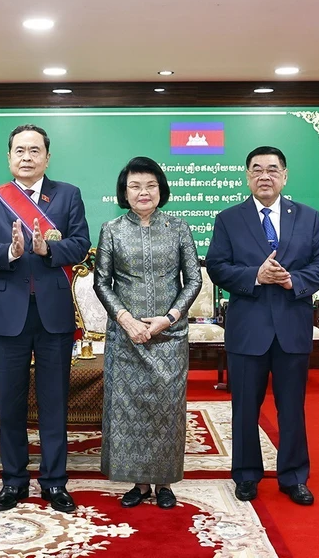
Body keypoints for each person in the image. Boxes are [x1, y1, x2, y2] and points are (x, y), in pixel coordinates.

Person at [206, 145, 319, 506]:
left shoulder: (307, 217)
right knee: (245, 408)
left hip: (293, 326)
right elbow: (217, 266)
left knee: (292, 408)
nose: (265, 176)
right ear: (247, 176)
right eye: (257, 169)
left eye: (273, 169)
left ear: (285, 175)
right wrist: (255, 275)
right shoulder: (229, 218)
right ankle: (246, 476)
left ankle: (294, 477)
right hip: (248, 329)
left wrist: (294, 281)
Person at [0, 124, 91, 513]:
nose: (27, 157)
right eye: (19, 151)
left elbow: (79, 243)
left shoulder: (68, 195)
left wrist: (46, 251)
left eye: (34, 150)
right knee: (9, 402)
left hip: (54, 313)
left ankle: (55, 482)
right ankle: (14, 481)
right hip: (9, 315)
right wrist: (9, 251)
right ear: (9, 157)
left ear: (47, 157)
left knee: (54, 401)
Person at [93, 157, 201, 509]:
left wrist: (168, 318)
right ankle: (139, 484)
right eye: (135, 186)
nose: (143, 192)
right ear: (125, 192)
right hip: (126, 337)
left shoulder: (179, 228)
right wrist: (125, 319)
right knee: (130, 411)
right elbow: (101, 282)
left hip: (169, 335)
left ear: (161, 190)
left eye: (151, 186)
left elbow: (193, 279)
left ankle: (164, 482)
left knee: (167, 410)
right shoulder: (111, 229)